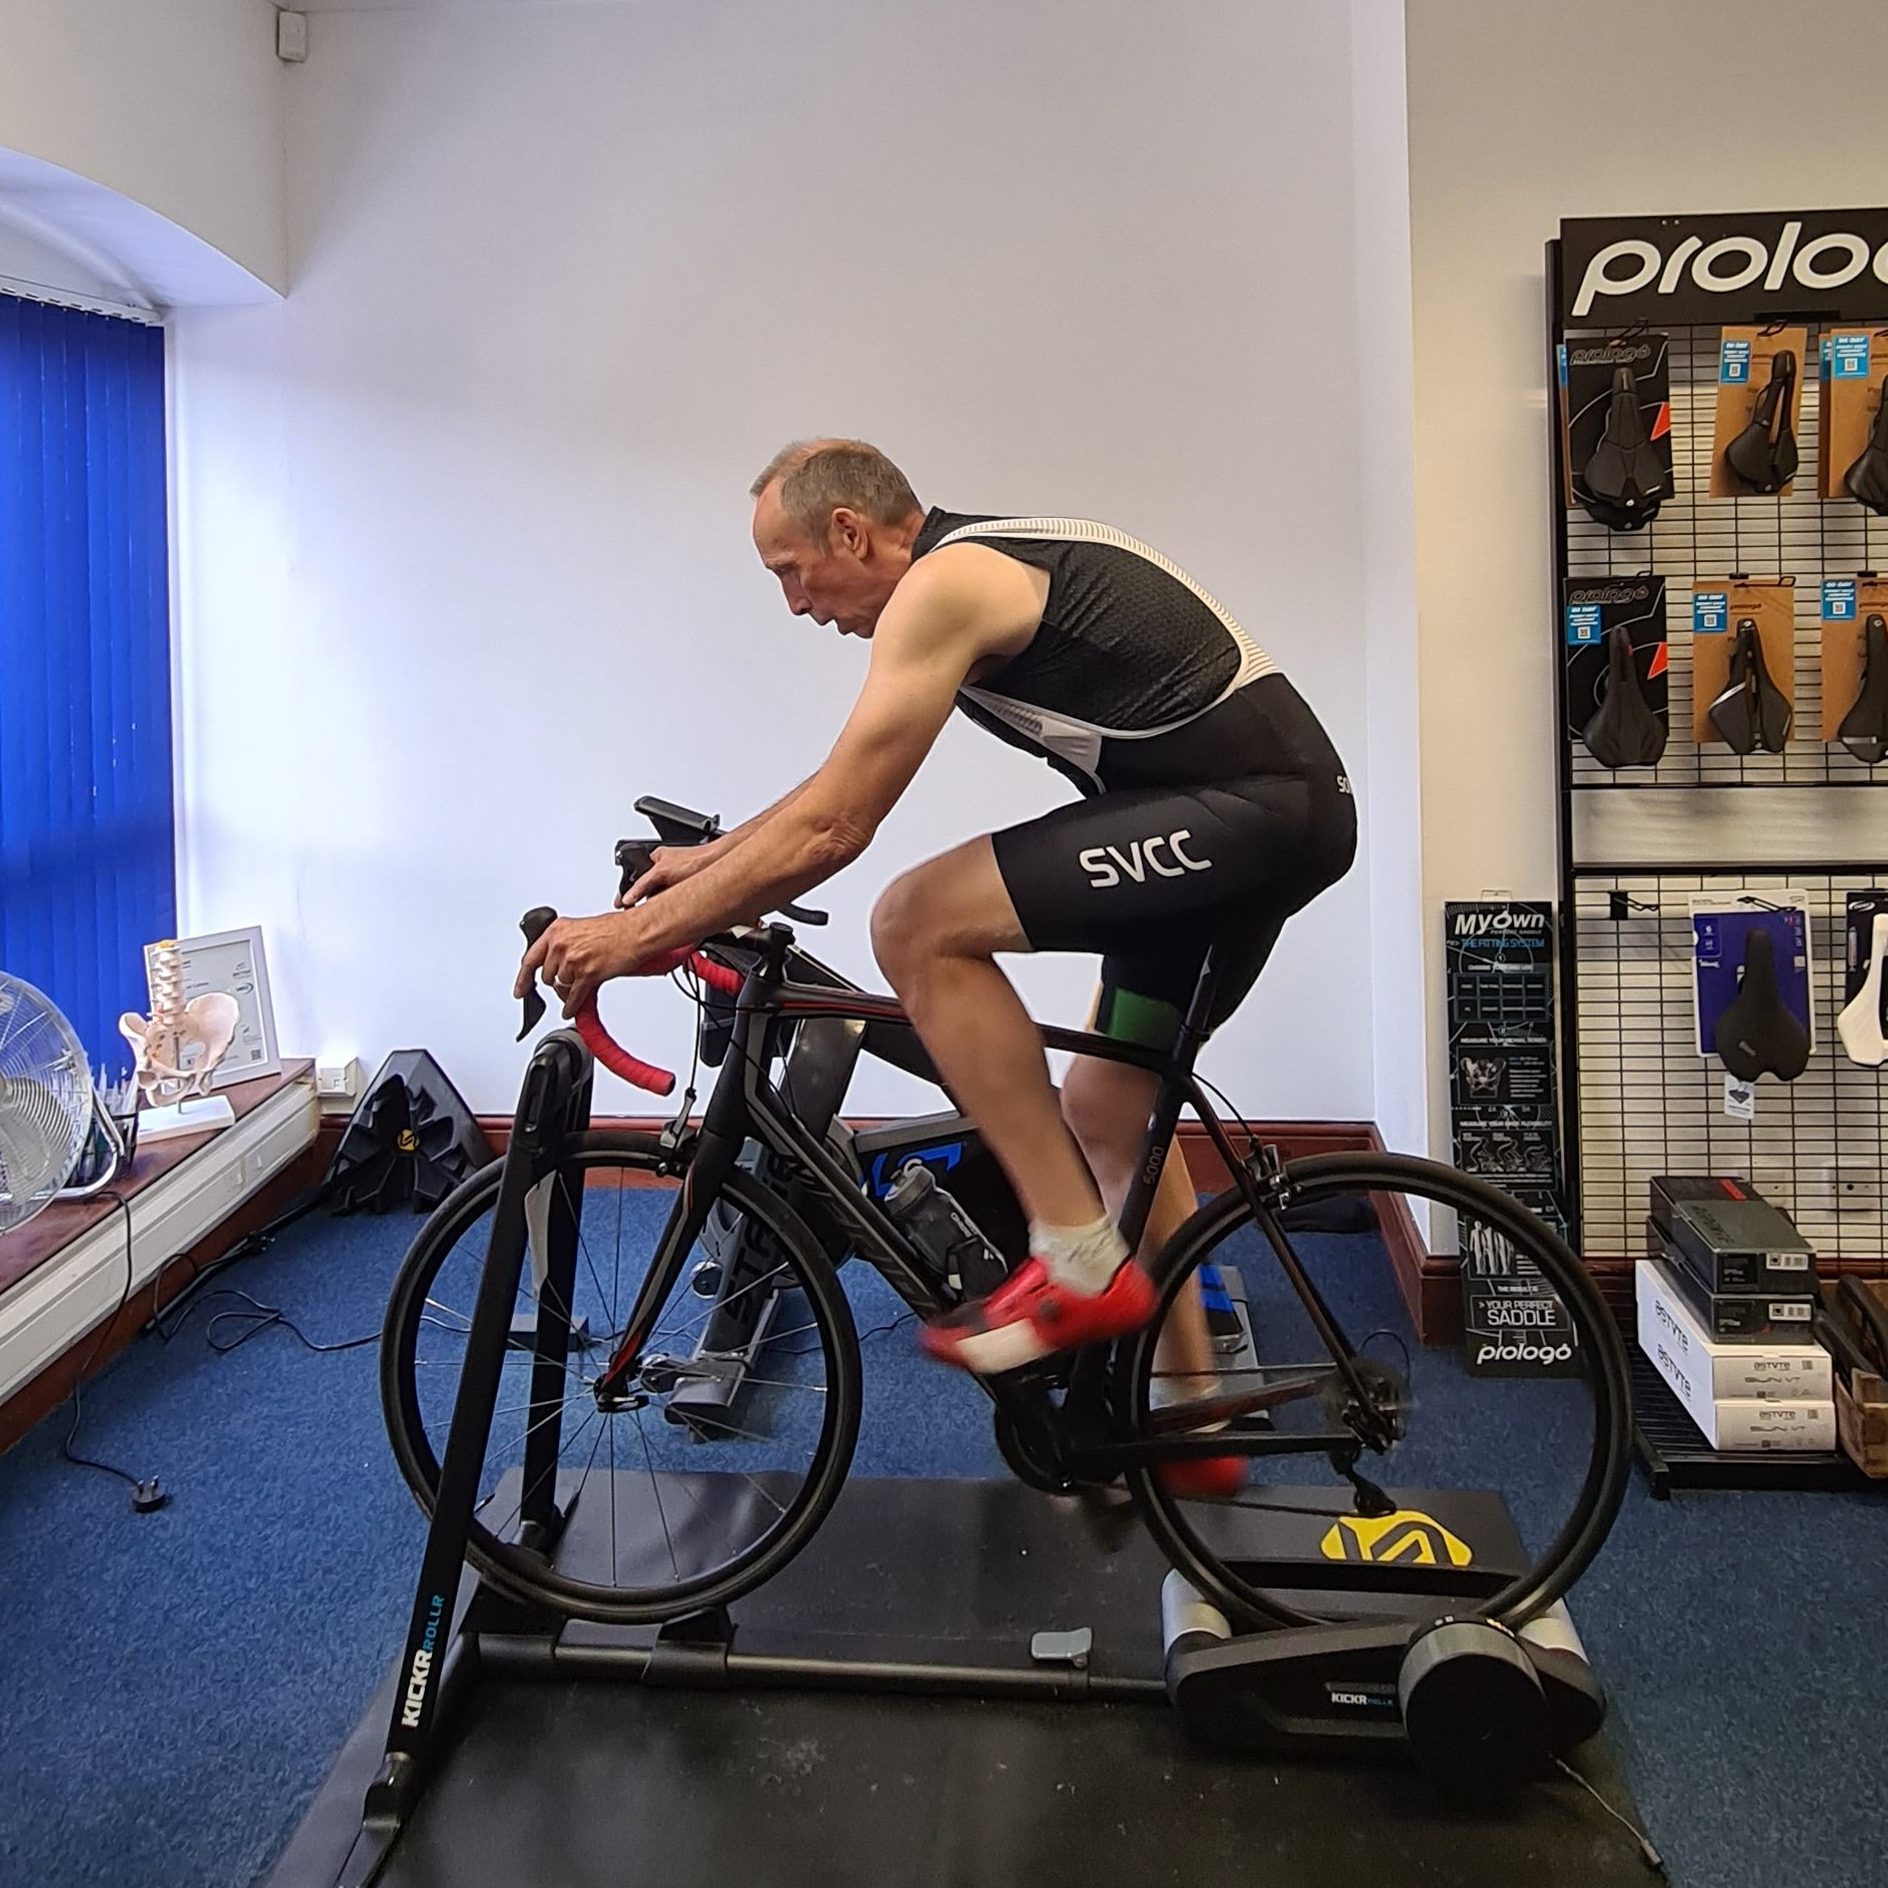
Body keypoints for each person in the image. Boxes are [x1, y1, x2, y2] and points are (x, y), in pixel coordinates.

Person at [517, 440, 1355, 1489]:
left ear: (849, 532)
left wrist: (634, 937)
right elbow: (833, 783)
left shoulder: (944, 585)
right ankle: (1190, 1423)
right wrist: (711, 862)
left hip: (1249, 817)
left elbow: (834, 827)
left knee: (913, 921)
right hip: (1262, 817)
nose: (793, 604)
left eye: (787, 570)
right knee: (1105, 1113)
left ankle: (1078, 1264)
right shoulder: (976, 564)